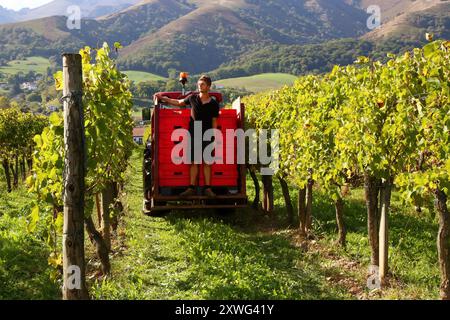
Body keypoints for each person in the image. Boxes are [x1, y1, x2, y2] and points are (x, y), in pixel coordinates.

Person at [154, 75, 219, 198]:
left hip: (207, 135)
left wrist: (214, 138)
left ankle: (208, 189)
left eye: (203, 84)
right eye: (199, 84)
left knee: (207, 163)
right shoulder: (192, 98)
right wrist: (163, 98)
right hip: (193, 134)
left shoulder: (214, 104)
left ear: (209, 86)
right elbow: (179, 102)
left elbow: (214, 121)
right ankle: (191, 188)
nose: (200, 86)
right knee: (193, 162)